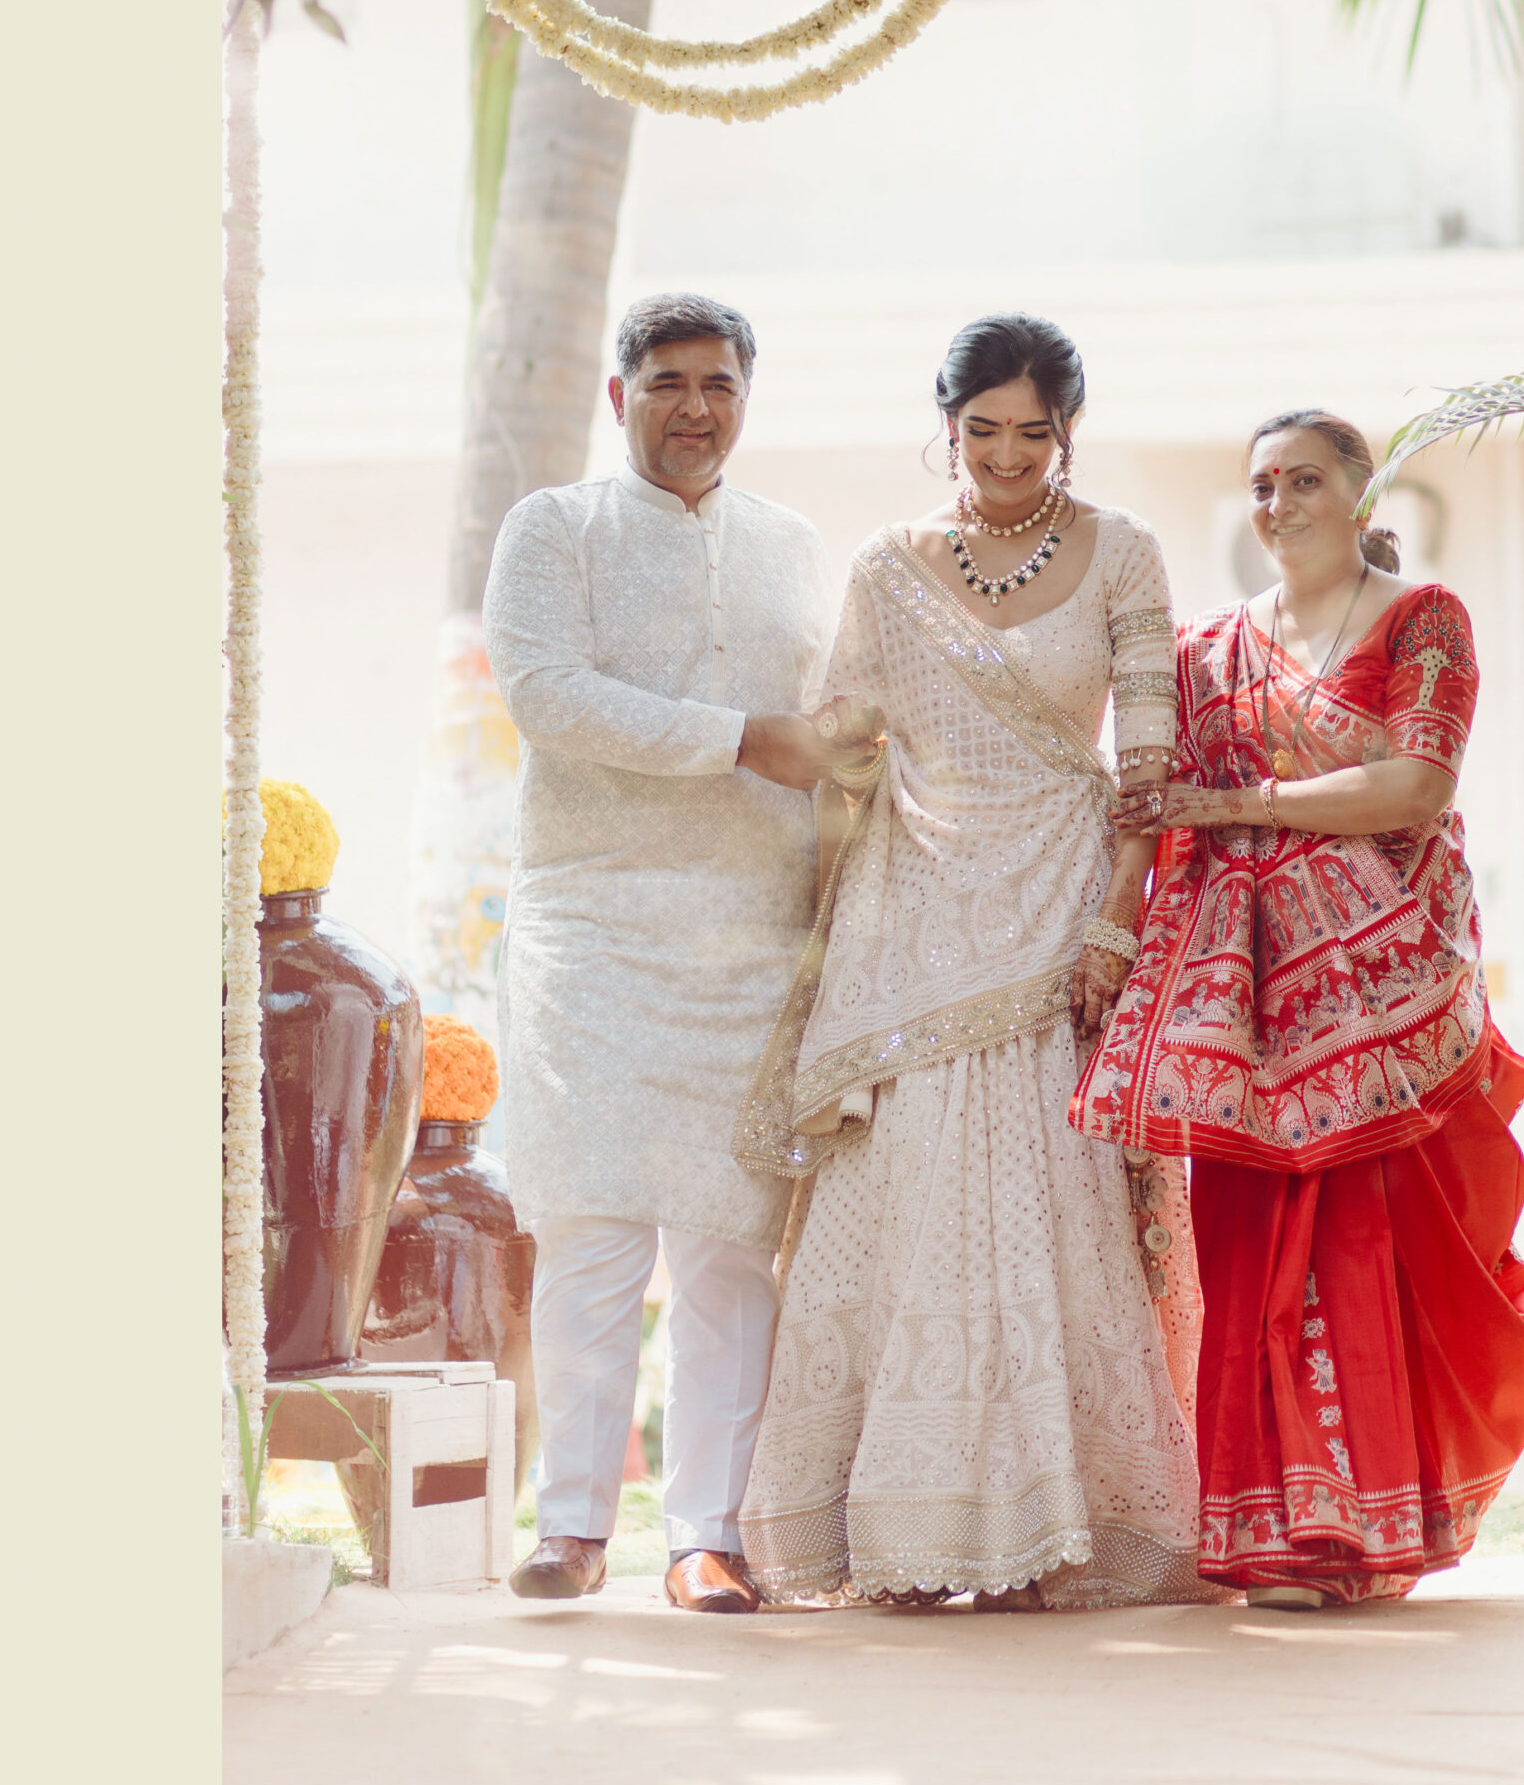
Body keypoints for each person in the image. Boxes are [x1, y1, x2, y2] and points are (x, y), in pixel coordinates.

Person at [734, 315, 1207, 1609]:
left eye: (1032, 434)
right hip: (916, 922)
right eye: (982, 430)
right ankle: (902, 1535)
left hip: (1061, 904)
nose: (1005, 457)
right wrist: (729, 740)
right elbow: (845, 730)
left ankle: (1049, 1534)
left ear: (1068, 431)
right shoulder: (889, 568)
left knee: (1051, 1207)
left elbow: (1149, 767)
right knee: (908, 1201)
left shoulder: (1123, 551)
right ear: (945, 427)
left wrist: (1117, 922)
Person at [1074, 410, 1524, 1607]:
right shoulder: (1208, 650)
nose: (1277, 504)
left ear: (1359, 494)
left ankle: (1363, 1533)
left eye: (1302, 481)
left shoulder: (1422, 620)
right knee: (1248, 1240)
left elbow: (1416, 782)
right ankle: (1271, 1533)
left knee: (1370, 1239)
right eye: (1261, 485)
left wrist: (1247, 805)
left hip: (1389, 996)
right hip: (1246, 1006)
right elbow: (1153, 807)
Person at [481, 291, 840, 1614]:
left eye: (719, 385)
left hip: (753, 930)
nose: (696, 409)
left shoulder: (794, 545)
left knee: (731, 1241)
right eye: (669, 383)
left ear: (747, 397)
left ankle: (707, 1536)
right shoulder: (554, 528)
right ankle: (573, 1524)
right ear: (617, 394)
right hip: (595, 920)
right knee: (591, 1227)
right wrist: (742, 739)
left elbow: (829, 719)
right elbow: (547, 695)